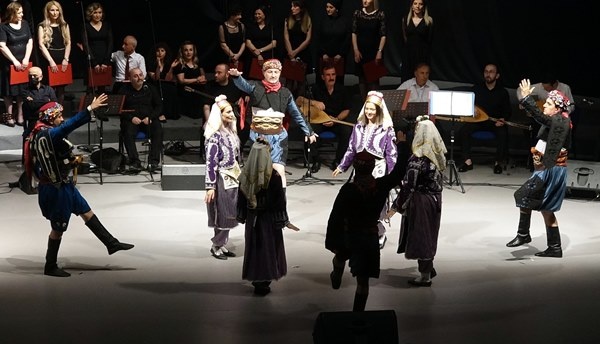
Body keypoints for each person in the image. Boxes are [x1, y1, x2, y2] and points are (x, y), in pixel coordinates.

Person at [24, 96, 134, 277]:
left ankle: (111, 243)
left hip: (63, 185)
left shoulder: (45, 131)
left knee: (86, 211)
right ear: (50, 118)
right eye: (58, 116)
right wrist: (89, 109)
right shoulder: (47, 133)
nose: (61, 119)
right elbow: (69, 126)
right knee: (58, 229)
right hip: (55, 189)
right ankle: (50, 265)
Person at [326, 151, 402, 311]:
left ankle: (337, 269)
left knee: (341, 255)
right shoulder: (380, 186)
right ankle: (358, 316)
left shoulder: (348, 190)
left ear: (355, 168)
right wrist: (402, 144)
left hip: (350, 234)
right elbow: (398, 172)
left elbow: (335, 217)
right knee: (363, 282)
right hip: (368, 237)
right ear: (372, 167)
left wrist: (332, 241)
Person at [506, 79, 572, 258]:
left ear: (557, 108)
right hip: (547, 169)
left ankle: (523, 235)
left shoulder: (560, 121)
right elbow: (542, 118)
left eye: (548, 104)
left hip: (551, 171)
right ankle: (555, 247)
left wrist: (527, 97)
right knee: (545, 208)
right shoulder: (557, 120)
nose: (545, 106)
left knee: (524, 196)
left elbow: (539, 116)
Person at [228, 58, 317, 189]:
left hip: (278, 137)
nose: (273, 75)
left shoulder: (285, 93)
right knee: (257, 171)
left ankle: (280, 202)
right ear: (264, 73)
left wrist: (308, 131)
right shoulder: (255, 87)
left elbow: (297, 113)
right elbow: (243, 84)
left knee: (278, 170)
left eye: (276, 72)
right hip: (258, 136)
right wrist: (236, 77)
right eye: (270, 71)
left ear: (280, 73)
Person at [333, 90, 397, 248]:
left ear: (379, 110)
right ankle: (361, 230)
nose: (369, 112)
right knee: (359, 200)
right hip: (360, 169)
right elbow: (351, 149)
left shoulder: (386, 129)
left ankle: (379, 232)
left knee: (377, 202)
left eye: (372, 109)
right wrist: (342, 166)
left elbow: (392, 153)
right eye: (367, 108)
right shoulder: (358, 127)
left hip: (378, 169)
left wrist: (393, 176)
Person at [388, 116, 446, 287]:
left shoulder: (418, 159)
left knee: (422, 237)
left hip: (422, 202)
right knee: (430, 234)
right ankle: (429, 268)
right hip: (436, 200)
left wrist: (395, 206)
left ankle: (425, 276)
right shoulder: (438, 155)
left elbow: (408, 186)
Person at [237, 138, 296, 295]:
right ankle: (264, 280)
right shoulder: (273, 176)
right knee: (268, 247)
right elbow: (279, 201)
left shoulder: (245, 175)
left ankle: (258, 280)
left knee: (255, 247)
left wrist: (242, 215)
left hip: (253, 218)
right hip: (268, 219)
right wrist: (282, 219)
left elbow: (241, 198)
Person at [204, 95, 241, 260]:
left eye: (231, 111)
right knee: (223, 213)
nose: (231, 114)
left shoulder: (231, 132)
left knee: (231, 212)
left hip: (232, 178)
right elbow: (211, 163)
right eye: (227, 112)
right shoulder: (215, 136)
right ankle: (216, 244)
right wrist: (210, 186)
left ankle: (222, 243)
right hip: (221, 180)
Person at [296, 64, 352, 172]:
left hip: (335, 120)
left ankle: (338, 160)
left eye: (333, 74)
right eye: (328, 75)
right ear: (323, 77)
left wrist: (336, 119)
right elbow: (298, 100)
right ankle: (315, 159)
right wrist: (314, 102)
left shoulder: (342, 89)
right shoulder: (315, 88)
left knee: (347, 130)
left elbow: (347, 109)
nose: (331, 77)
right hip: (319, 121)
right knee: (308, 129)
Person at [458, 63, 511, 174]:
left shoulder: (503, 92)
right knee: (463, 130)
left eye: (491, 72)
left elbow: (507, 111)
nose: (488, 74)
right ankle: (467, 162)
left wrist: (502, 119)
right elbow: (467, 105)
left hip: (494, 122)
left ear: (497, 76)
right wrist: (472, 110)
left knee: (503, 133)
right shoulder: (476, 89)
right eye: (486, 71)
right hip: (478, 121)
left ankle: (498, 163)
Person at [396, 62, 439, 178]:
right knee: (405, 132)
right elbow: (396, 103)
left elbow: (436, 110)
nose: (424, 76)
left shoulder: (434, 88)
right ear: (415, 73)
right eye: (422, 73)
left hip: (425, 122)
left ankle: (422, 165)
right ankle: (406, 163)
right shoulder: (407, 85)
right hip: (407, 120)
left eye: (427, 73)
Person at [118, 67, 163, 172]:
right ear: (130, 78)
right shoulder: (123, 90)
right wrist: (131, 118)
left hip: (148, 119)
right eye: (135, 76)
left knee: (158, 130)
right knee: (127, 132)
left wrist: (151, 117)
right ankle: (135, 162)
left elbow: (159, 106)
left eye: (141, 75)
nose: (139, 78)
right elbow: (119, 109)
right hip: (132, 120)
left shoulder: (150, 88)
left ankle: (153, 162)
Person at [0, 1, 34, 127]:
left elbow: (30, 41)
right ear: (12, 13)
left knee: (21, 91)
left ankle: (20, 115)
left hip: (23, 63)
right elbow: (2, 46)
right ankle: (9, 116)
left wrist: (26, 58)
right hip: (9, 64)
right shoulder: (3, 27)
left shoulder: (25, 24)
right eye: (19, 12)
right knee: (9, 92)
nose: (22, 14)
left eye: (22, 12)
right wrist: (14, 60)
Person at [204, 63, 249, 149]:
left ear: (227, 74)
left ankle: (237, 150)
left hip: (232, 116)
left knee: (245, 129)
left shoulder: (236, 85)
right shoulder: (210, 85)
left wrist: (244, 97)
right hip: (216, 117)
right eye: (215, 72)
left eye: (219, 73)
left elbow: (245, 93)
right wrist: (209, 121)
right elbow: (206, 106)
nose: (216, 75)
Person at [37, 1, 71, 105]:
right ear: (47, 12)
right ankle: (49, 112)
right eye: (52, 10)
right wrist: (51, 61)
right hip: (49, 59)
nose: (55, 13)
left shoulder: (64, 25)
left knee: (61, 88)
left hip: (62, 59)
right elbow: (41, 45)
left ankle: (58, 112)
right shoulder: (42, 26)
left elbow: (68, 42)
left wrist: (66, 59)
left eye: (57, 10)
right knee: (49, 88)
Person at [351, 0, 386, 98]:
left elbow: (383, 35)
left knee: (373, 82)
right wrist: (355, 49)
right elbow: (354, 32)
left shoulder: (380, 14)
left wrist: (379, 51)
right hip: (361, 52)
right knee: (362, 81)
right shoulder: (357, 13)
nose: (365, 1)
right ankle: (364, 106)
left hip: (374, 53)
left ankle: (374, 106)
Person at [80, 2, 113, 94]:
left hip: (104, 59)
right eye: (95, 12)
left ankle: (102, 108)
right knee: (91, 87)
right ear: (90, 14)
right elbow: (85, 44)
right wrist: (94, 63)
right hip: (91, 59)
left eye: (100, 12)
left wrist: (106, 62)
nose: (98, 15)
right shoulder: (85, 26)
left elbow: (110, 43)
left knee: (102, 87)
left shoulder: (107, 25)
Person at [283, 0, 312, 97]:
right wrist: (291, 53)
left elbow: (307, 40)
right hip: (289, 53)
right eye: (291, 6)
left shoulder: (307, 20)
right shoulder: (288, 20)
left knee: (301, 84)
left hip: (302, 53)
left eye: (295, 6)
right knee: (289, 83)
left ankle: (299, 107)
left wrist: (296, 52)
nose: (292, 8)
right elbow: (286, 37)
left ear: (301, 8)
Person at [401, 0, 433, 82]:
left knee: (421, 80)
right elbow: (405, 38)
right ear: (412, 6)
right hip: (408, 55)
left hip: (422, 55)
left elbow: (430, 40)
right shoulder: (405, 20)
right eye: (415, 4)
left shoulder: (428, 21)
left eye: (420, 4)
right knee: (407, 80)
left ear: (424, 7)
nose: (417, 6)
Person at [317, 0, 350, 80]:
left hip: (338, 58)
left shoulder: (344, 21)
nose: (328, 9)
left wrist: (341, 54)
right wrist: (323, 53)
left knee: (338, 80)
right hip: (325, 57)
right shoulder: (323, 21)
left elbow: (347, 39)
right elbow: (318, 38)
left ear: (337, 9)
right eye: (327, 7)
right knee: (324, 80)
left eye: (331, 7)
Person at [22, 66, 57, 137]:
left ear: (41, 77)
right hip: (33, 120)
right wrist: (46, 101)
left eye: (34, 75)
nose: (32, 78)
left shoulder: (48, 89)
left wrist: (35, 101)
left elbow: (54, 104)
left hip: (48, 119)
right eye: (30, 76)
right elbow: (31, 106)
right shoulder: (25, 91)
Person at [244, 5, 277, 77]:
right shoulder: (251, 26)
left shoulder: (270, 27)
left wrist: (261, 50)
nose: (257, 16)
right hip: (252, 55)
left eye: (259, 14)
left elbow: (274, 43)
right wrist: (258, 54)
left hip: (267, 55)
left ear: (264, 15)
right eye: (255, 14)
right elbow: (248, 42)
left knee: (265, 78)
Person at [218, 4, 245, 69]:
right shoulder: (222, 27)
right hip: (227, 57)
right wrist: (233, 56)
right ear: (232, 16)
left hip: (240, 56)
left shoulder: (242, 26)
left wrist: (238, 55)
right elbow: (223, 44)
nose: (240, 17)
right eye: (238, 15)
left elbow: (243, 42)